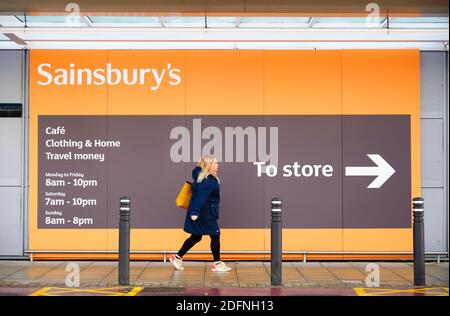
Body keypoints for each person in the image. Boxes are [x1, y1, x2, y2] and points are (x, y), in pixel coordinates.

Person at [170, 155, 231, 272]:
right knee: (215, 234)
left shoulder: (199, 176)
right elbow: (200, 198)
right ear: (208, 165)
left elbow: (197, 172)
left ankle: (177, 257)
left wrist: (199, 165)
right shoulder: (209, 181)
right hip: (205, 213)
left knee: (196, 236)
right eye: (215, 163)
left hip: (202, 212)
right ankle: (217, 263)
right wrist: (195, 212)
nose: (217, 165)